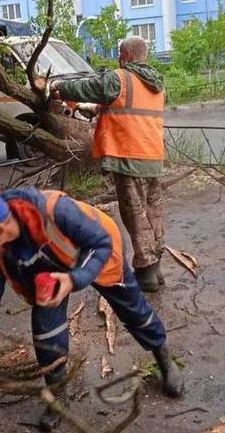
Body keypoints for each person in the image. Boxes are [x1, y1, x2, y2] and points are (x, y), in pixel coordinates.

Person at [0, 188, 183, 432]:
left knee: (134, 311)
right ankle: (58, 395)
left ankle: (164, 358)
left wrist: (75, 279)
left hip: (99, 252)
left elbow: (100, 243)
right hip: (49, 271)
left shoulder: (56, 211)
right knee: (45, 331)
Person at [47, 36, 167, 292]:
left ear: (124, 55)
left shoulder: (119, 78)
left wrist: (57, 86)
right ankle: (156, 268)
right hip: (152, 155)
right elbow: (123, 108)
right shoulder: (155, 82)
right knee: (153, 212)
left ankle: (145, 271)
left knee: (135, 214)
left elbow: (89, 86)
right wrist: (93, 109)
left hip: (128, 156)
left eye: (119, 55)